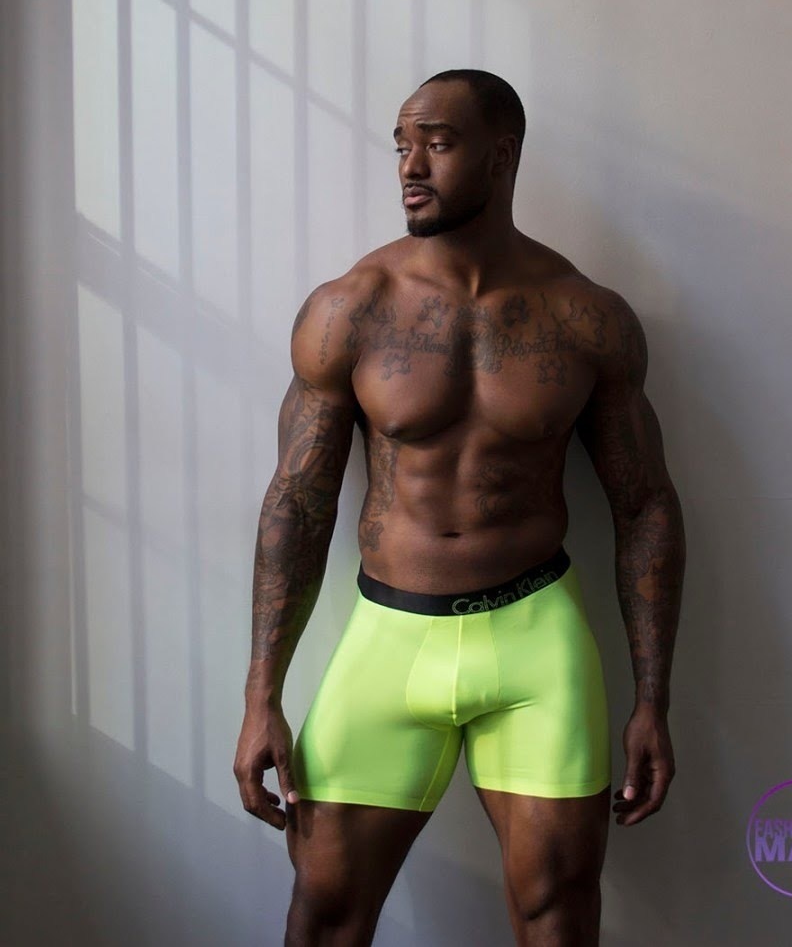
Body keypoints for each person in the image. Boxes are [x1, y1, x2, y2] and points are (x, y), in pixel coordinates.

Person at [234, 68, 686, 946]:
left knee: (558, 915)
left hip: (535, 643)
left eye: (436, 143)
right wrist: (262, 695)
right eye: (402, 145)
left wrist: (652, 700)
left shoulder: (584, 317)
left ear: (501, 155)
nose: (410, 165)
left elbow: (646, 509)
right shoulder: (351, 310)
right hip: (389, 635)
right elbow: (296, 504)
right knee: (324, 912)